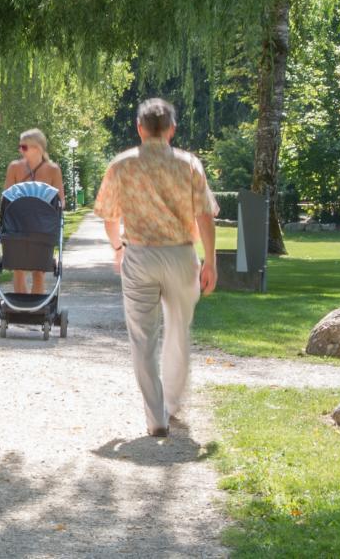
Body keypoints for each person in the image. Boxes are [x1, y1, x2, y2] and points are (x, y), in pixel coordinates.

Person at [94, 98, 218, 438]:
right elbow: (205, 216)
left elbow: (109, 217)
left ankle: (156, 416)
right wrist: (211, 260)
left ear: (139, 128)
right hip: (180, 255)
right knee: (179, 330)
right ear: (172, 129)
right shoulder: (189, 164)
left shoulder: (121, 165)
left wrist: (118, 248)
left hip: (140, 255)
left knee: (143, 338)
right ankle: (174, 403)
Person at [3, 129, 64, 294]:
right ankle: (20, 308)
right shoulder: (14, 168)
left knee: (39, 271)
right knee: (18, 270)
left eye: (24, 147)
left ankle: (36, 309)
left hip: (42, 226)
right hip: (18, 225)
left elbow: (61, 201)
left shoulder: (53, 169)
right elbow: (7, 197)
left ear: (37, 148)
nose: (19, 150)